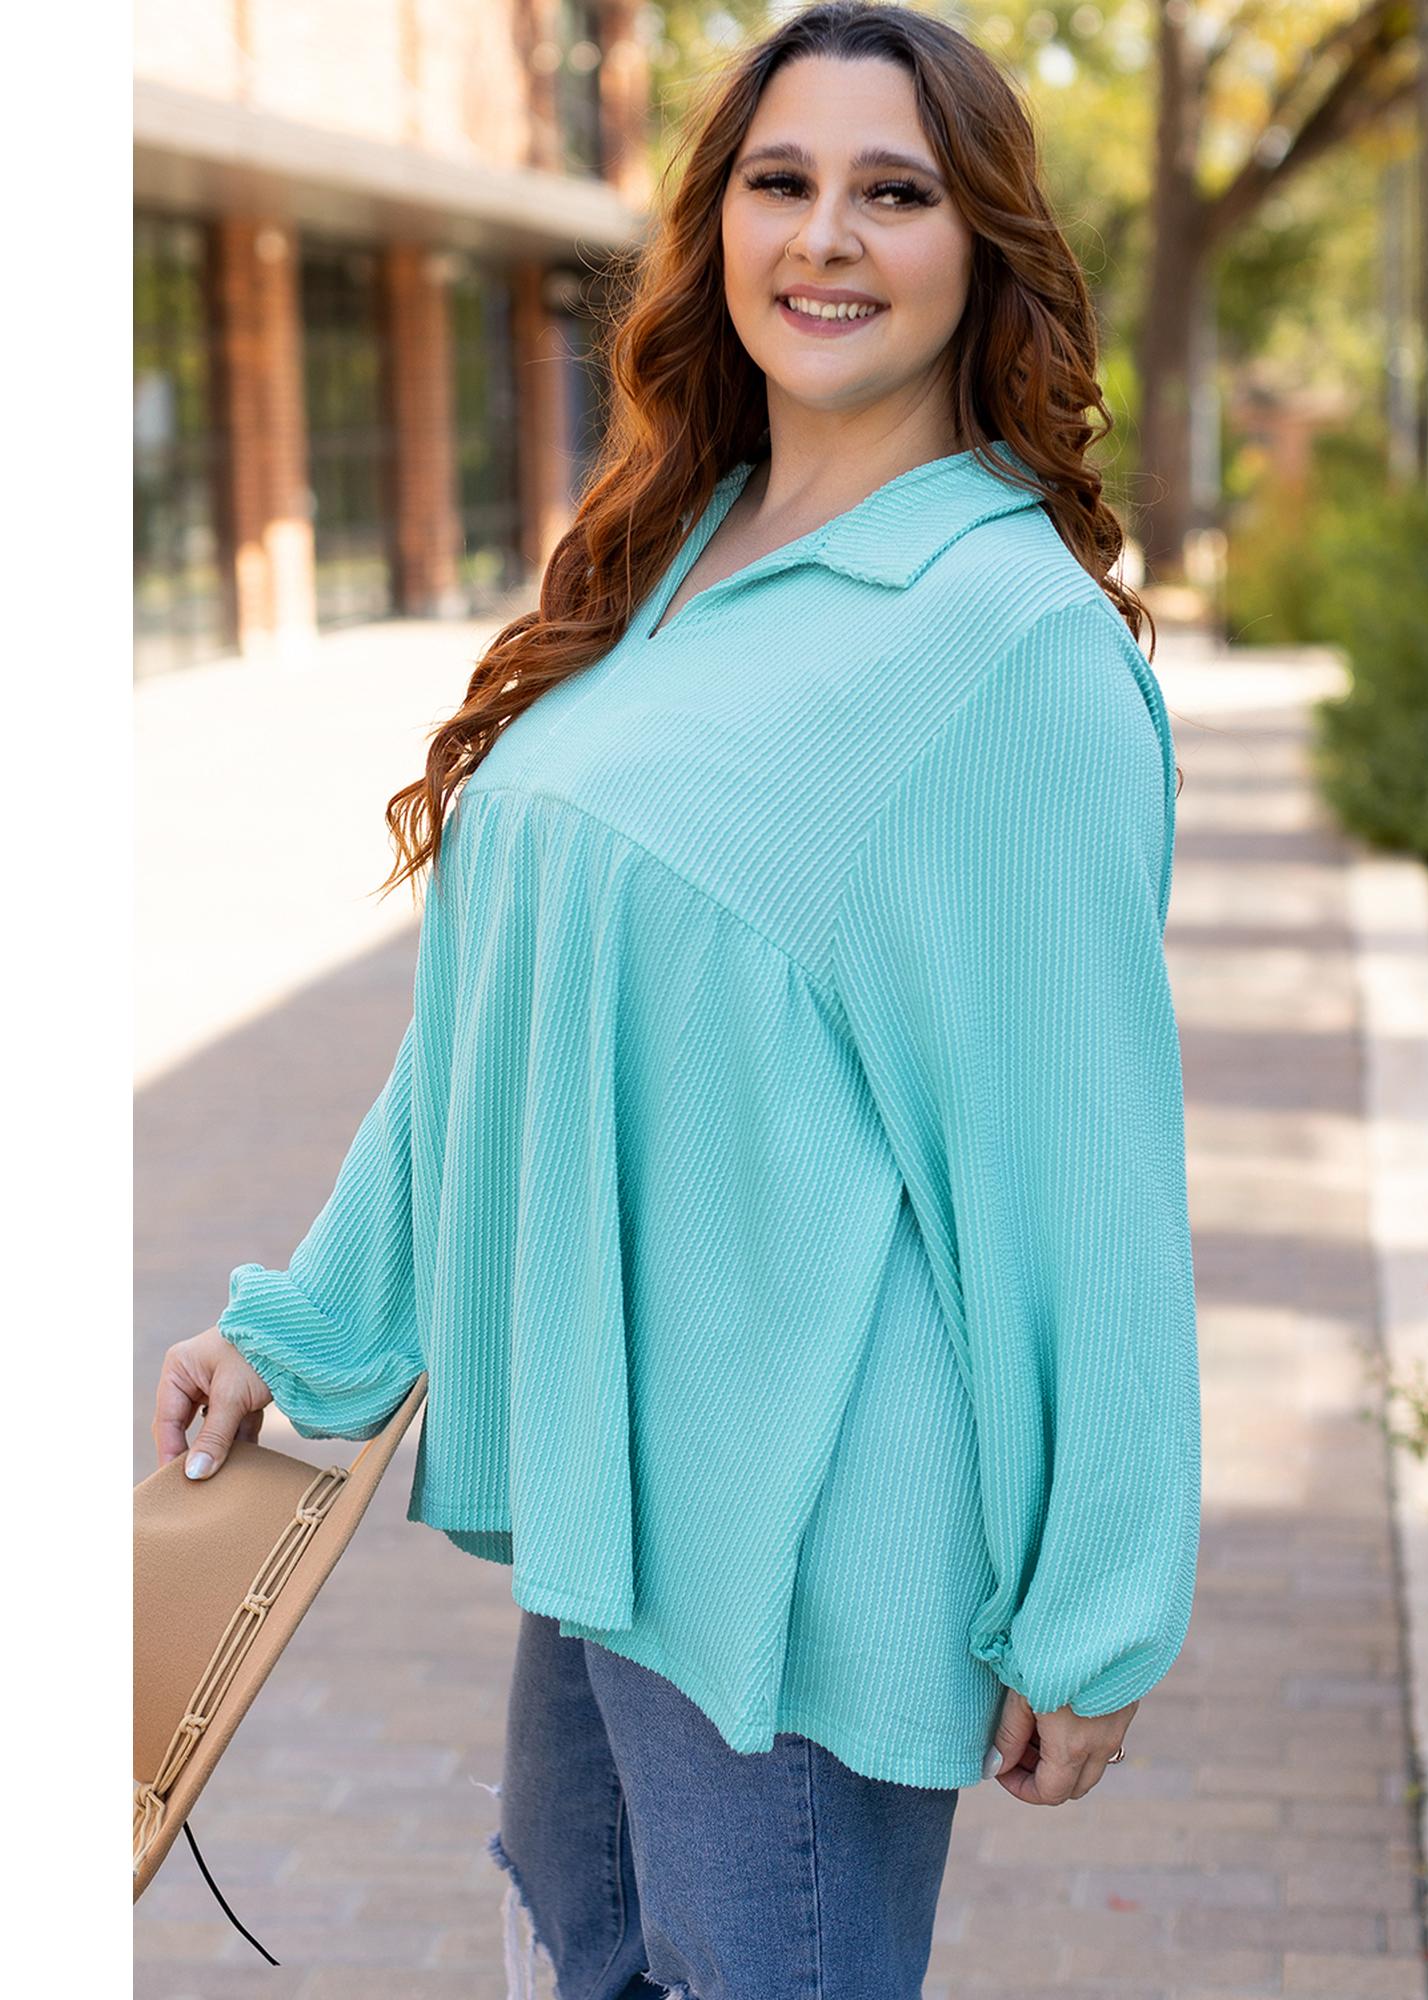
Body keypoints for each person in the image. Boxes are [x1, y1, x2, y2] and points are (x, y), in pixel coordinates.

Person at [150, 5, 1202, 1995]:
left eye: (894, 193)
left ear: (980, 246)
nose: (825, 236)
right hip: (624, 1494)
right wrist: (304, 1331)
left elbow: (1079, 1171)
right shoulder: (685, 548)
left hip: (812, 1528)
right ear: (716, 225)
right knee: (589, 1953)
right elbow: (507, 1025)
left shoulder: (1010, 645)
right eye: (779, 181)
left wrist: (1096, 1603)